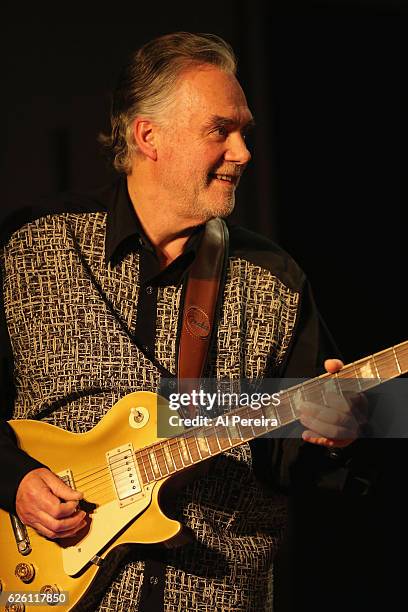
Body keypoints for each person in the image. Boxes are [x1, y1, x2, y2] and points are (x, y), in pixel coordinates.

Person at [0, 32, 366, 612]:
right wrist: (13, 479)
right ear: (149, 135)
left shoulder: (275, 279)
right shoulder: (32, 246)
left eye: (244, 130)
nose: (244, 152)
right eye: (220, 130)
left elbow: (294, 465)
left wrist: (337, 438)